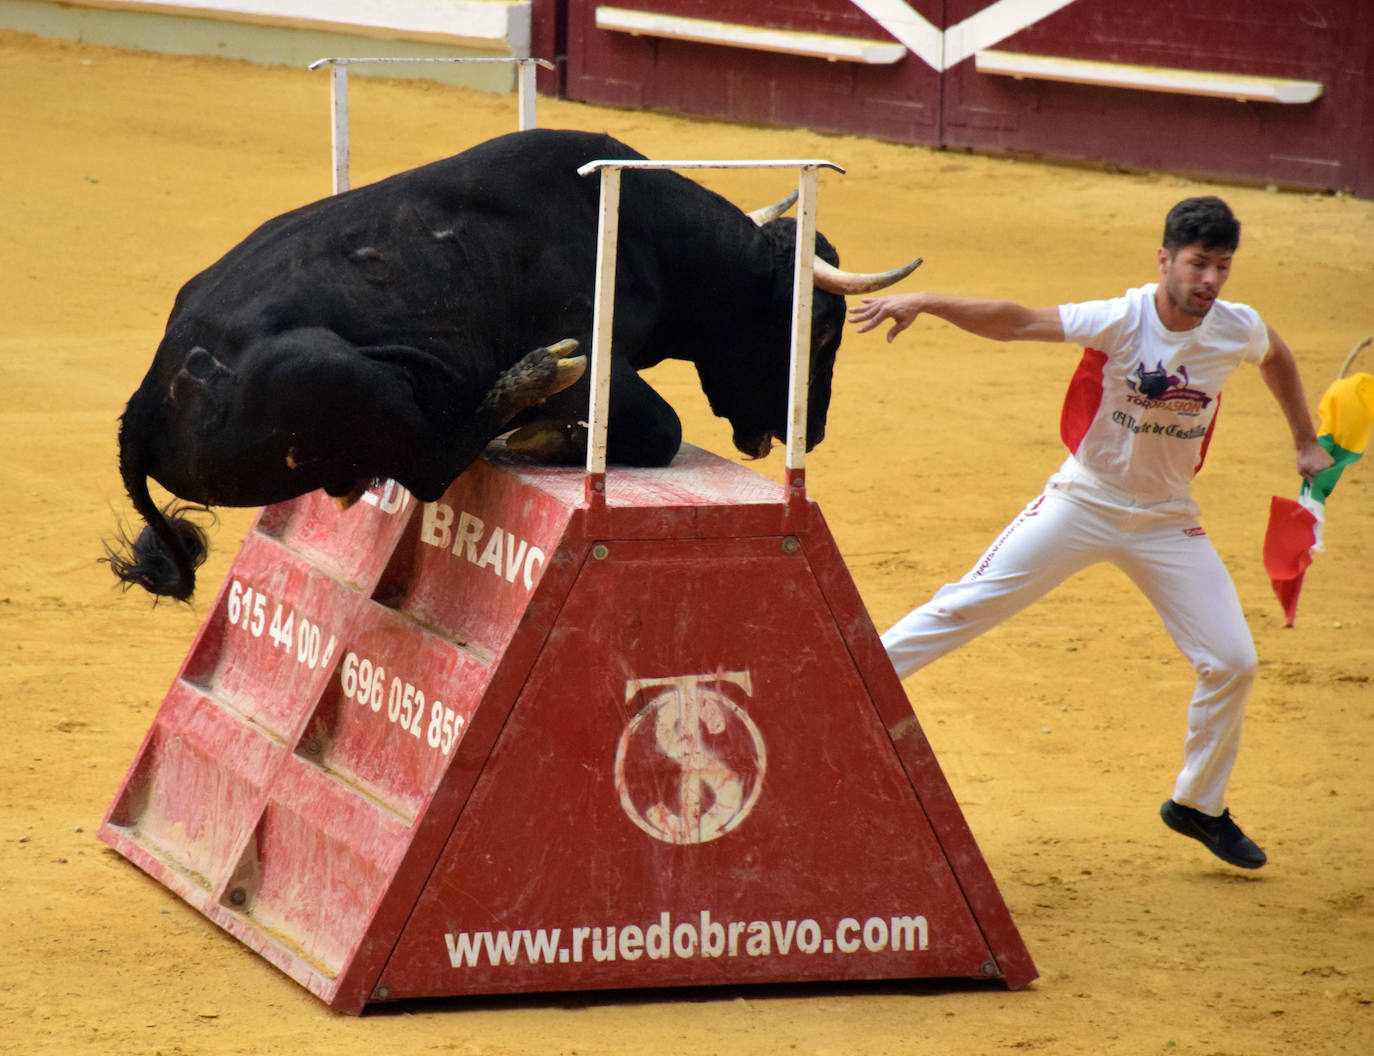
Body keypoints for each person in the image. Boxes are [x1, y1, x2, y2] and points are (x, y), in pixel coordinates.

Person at [848, 196, 1333, 870]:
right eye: (1198, 264)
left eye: (1222, 267)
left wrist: (1306, 441)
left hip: (1168, 519)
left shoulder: (1235, 328)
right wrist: (926, 299)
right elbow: (1018, 323)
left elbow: (1275, 354)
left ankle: (1197, 803)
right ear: (1165, 259)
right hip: (1084, 501)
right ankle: (842, 688)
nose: (1211, 281)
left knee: (1233, 662)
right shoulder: (1122, 318)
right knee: (963, 605)